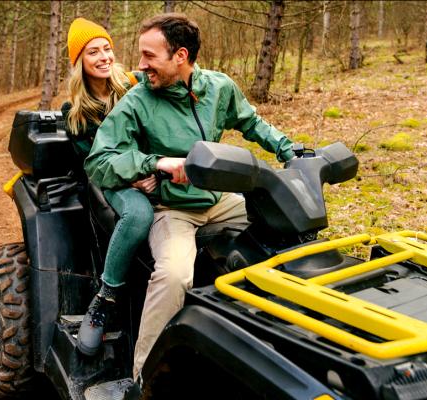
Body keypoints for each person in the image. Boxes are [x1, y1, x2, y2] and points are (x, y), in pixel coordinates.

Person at [84, 13, 295, 379]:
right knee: (174, 275)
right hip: (174, 209)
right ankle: (141, 378)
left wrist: (290, 150)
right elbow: (99, 161)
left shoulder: (218, 87)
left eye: (150, 56)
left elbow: (251, 122)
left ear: (180, 56)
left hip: (221, 200)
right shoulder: (138, 101)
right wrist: (155, 163)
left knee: (284, 230)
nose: (140, 65)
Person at [61, 17, 157, 356]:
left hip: (153, 166)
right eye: (93, 52)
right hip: (111, 179)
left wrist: (153, 167)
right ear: (79, 62)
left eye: (107, 49)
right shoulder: (75, 112)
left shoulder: (134, 83)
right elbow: (94, 162)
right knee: (139, 214)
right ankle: (105, 297)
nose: (104, 57)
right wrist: (133, 177)